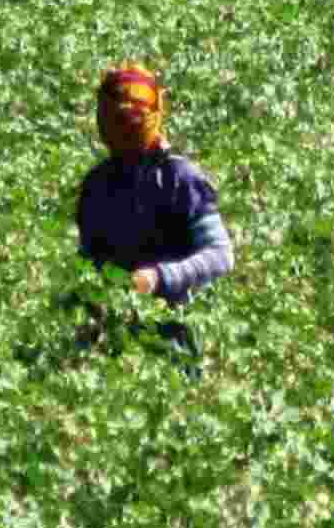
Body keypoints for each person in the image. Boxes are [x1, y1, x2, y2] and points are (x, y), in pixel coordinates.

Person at [76, 61, 234, 374]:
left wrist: (158, 278)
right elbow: (86, 259)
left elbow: (221, 255)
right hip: (109, 340)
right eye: (115, 120)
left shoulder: (179, 178)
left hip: (172, 339)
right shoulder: (98, 184)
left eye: (129, 121)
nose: (121, 129)